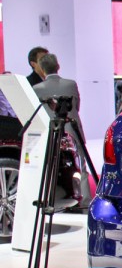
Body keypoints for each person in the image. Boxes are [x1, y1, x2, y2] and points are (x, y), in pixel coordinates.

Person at [33, 53, 91, 203]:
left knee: (50, 166)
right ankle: (84, 201)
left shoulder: (36, 88)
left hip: (50, 132)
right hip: (72, 129)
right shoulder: (70, 84)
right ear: (57, 66)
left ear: (42, 69)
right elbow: (76, 107)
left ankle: (51, 199)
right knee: (81, 166)